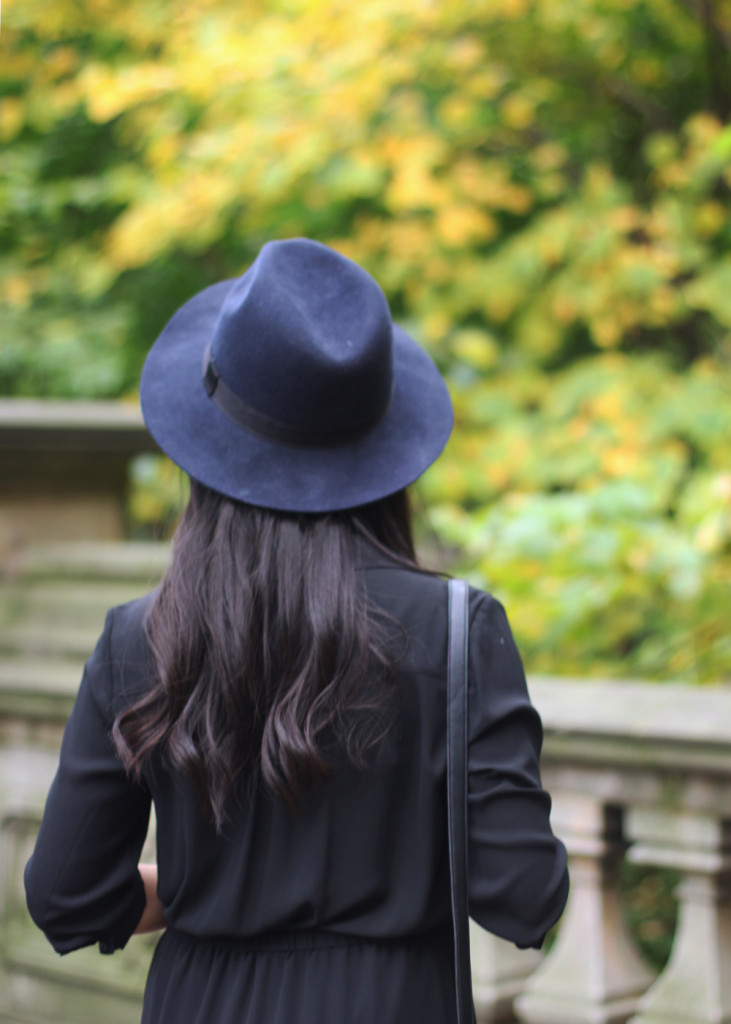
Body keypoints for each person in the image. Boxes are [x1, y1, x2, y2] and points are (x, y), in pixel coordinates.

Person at [24, 238, 569, 1023]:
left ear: (209, 446)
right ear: (383, 449)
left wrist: (196, 891)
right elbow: (523, 896)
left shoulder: (141, 638)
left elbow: (66, 897)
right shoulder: (458, 631)